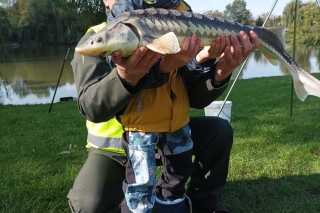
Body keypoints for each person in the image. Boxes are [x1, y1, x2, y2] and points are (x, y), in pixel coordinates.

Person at [67, 0, 260, 213]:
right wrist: (126, 77)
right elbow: (92, 107)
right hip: (114, 149)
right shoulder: (95, 38)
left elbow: (196, 98)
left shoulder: (178, 27)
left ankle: (204, 204)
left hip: (171, 135)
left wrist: (222, 71)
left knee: (219, 131)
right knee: (89, 204)